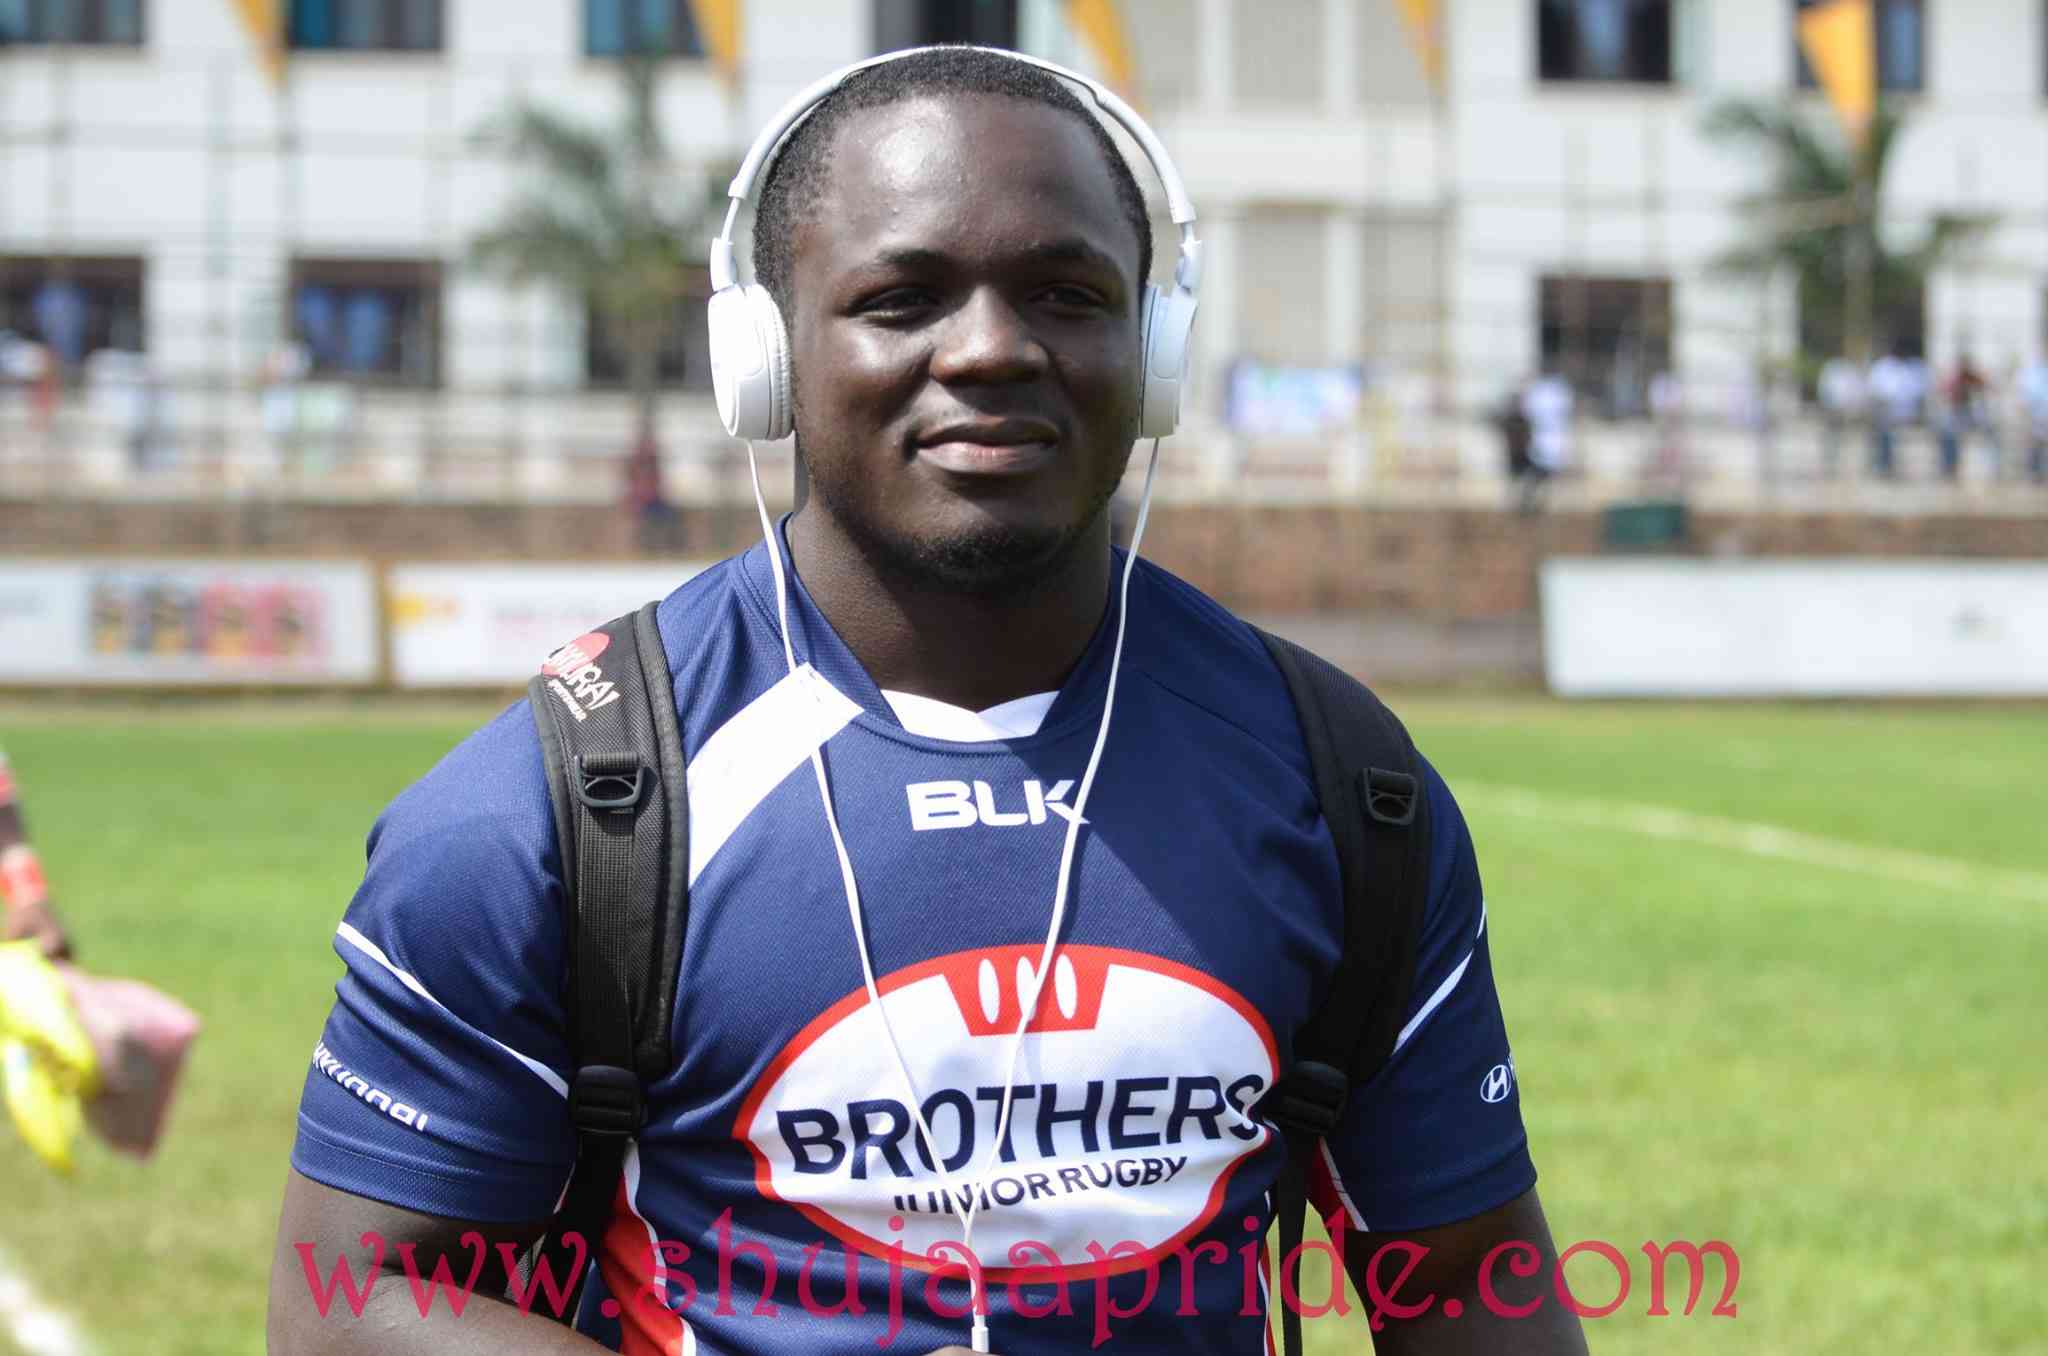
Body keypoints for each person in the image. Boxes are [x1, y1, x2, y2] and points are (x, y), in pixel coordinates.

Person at [267, 47, 1585, 1356]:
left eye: (1066, 292)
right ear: (764, 358)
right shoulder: (550, 815)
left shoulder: (1340, 780)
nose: (994, 350)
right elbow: (354, 1308)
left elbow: (1472, 1279)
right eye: (903, 298)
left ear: (1157, 344)